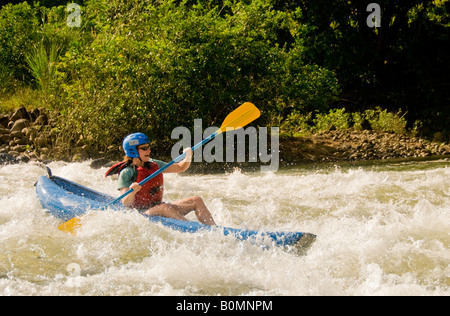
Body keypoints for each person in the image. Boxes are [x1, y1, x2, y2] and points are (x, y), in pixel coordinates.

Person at [105, 133, 216, 226]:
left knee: (196, 200)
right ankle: (193, 230)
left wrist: (188, 157)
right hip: (141, 213)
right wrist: (133, 191)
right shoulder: (127, 172)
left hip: (158, 206)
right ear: (133, 151)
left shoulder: (154, 164)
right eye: (144, 148)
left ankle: (213, 229)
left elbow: (180, 167)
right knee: (164, 208)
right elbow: (125, 202)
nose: (148, 150)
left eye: (148, 147)